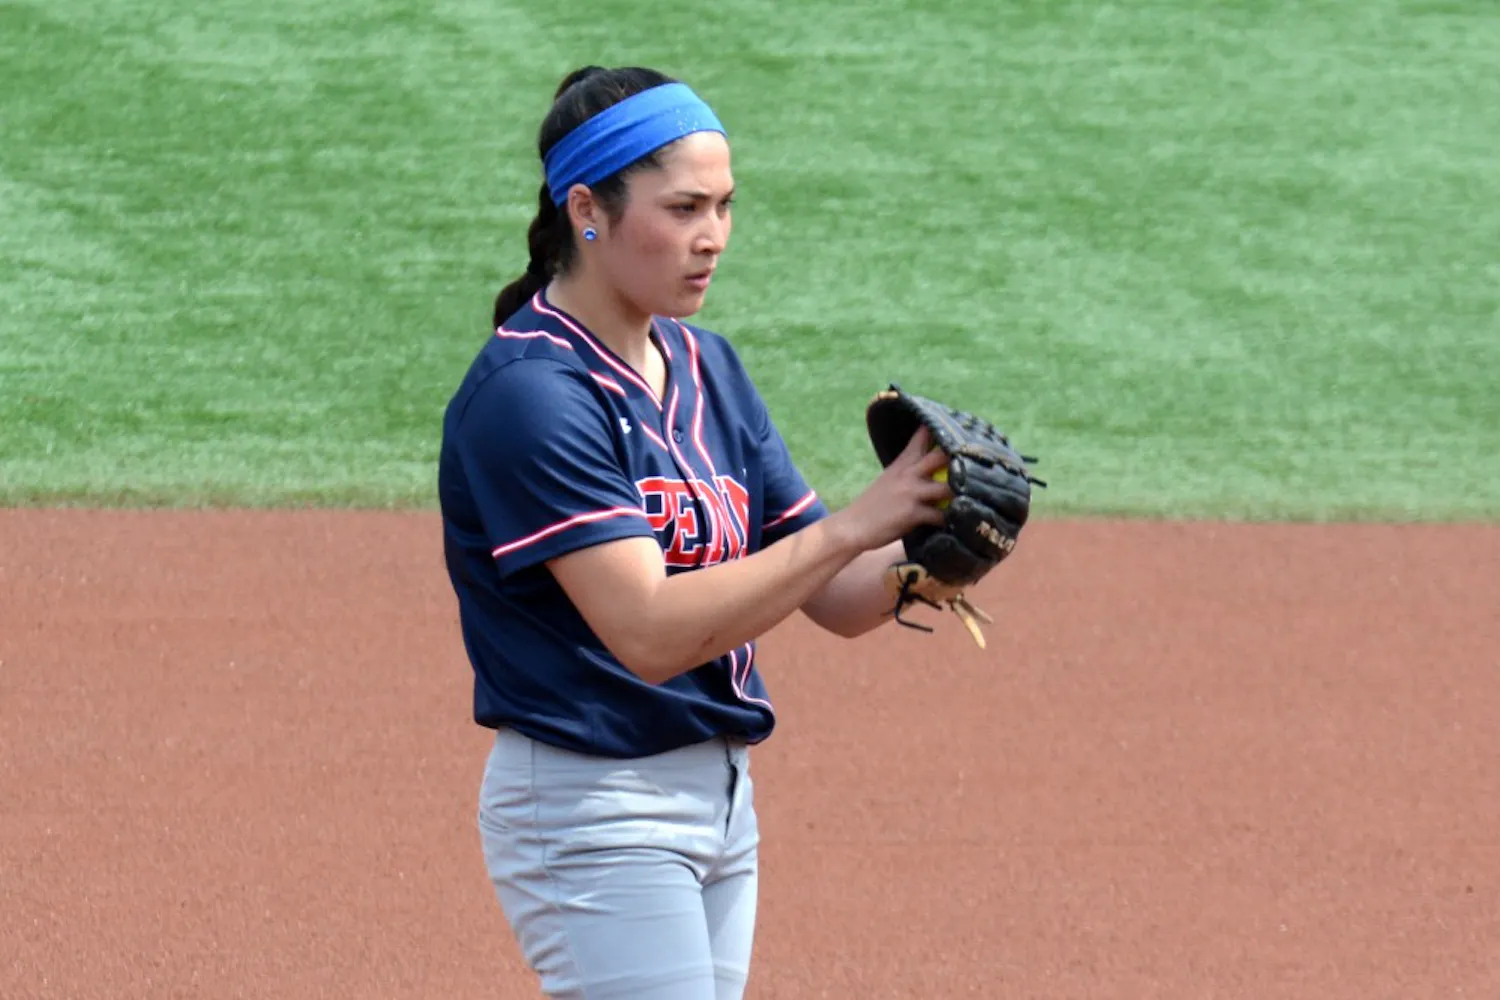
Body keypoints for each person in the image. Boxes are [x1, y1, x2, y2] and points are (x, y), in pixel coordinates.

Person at [436, 65, 952, 1000]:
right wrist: (853, 529)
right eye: (683, 209)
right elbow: (650, 633)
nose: (711, 237)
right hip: (596, 802)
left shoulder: (708, 366)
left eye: (724, 206)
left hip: (718, 803)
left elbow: (832, 597)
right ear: (587, 209)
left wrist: (931, 547)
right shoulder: (533, 396)